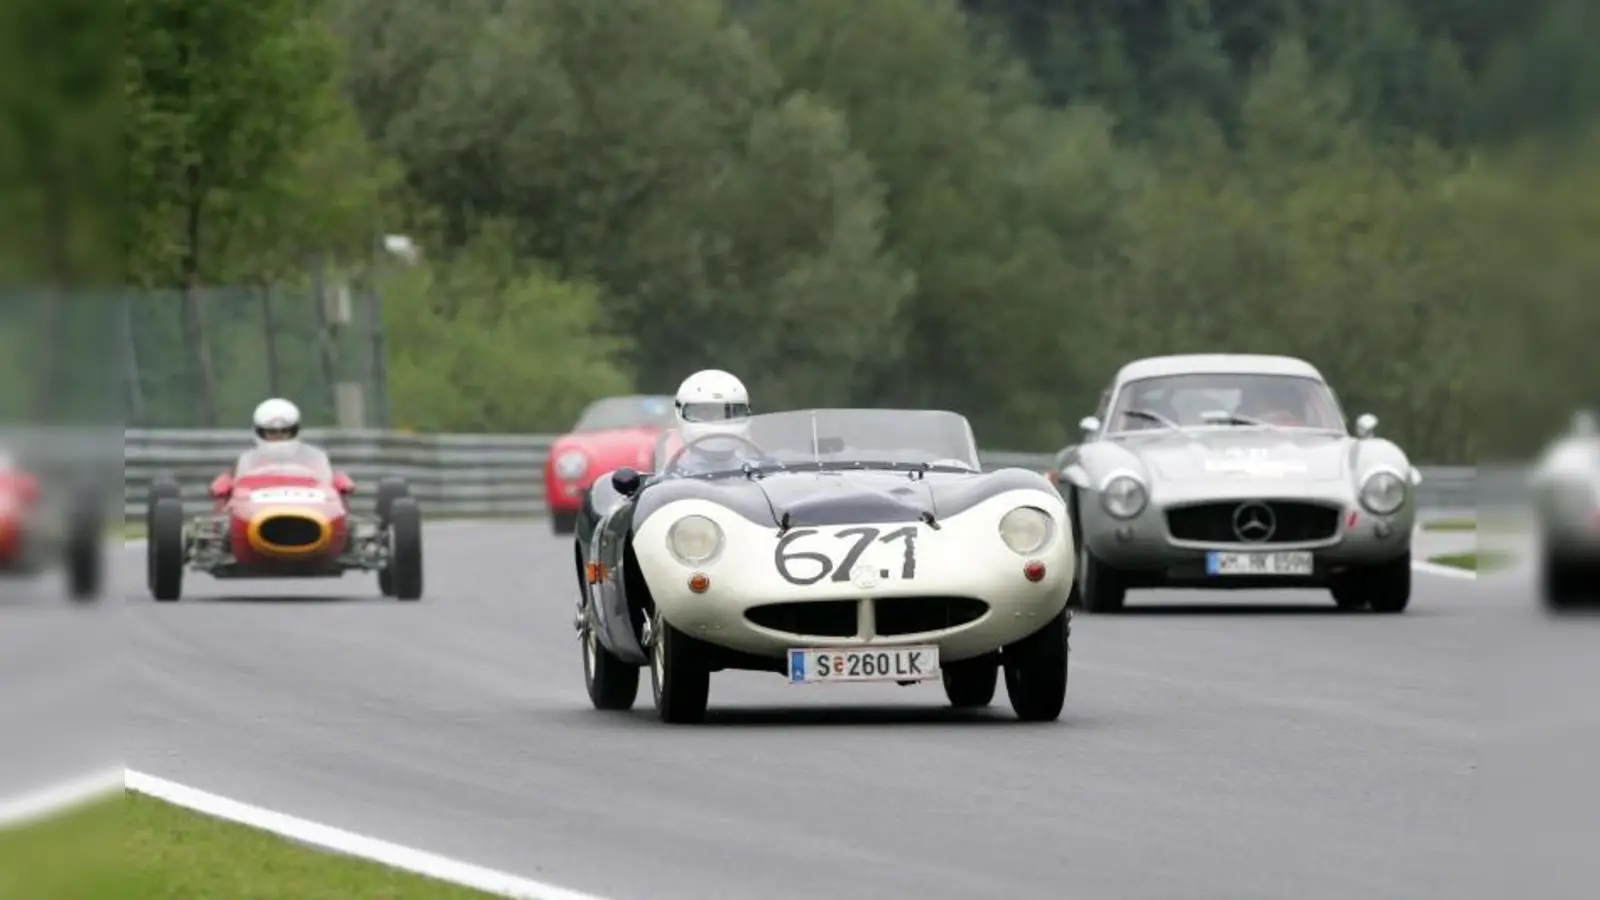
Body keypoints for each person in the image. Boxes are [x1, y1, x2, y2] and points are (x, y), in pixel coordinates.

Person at [662, 370, 760, 474]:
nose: (718, 422)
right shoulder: (672, 479)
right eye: (705, 413)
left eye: (727, 414)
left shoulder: (760, 472)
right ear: (680, 412)